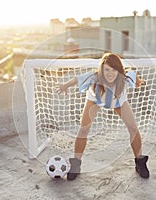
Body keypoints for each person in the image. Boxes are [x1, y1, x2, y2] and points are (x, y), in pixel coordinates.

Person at [57, 52, 149, 181]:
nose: (110, 73)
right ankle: (76, 165)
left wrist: (138, 80)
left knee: (133, 128)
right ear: (101, 69)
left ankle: (140, 162)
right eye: (106, 70)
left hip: (118, 102)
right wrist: (64, 86)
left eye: (113, 70)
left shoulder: (124, 78)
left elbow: (134, 75)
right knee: (83, 129)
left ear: (118, 70)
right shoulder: (94, 77)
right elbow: (77, 79)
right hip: (95, 101)